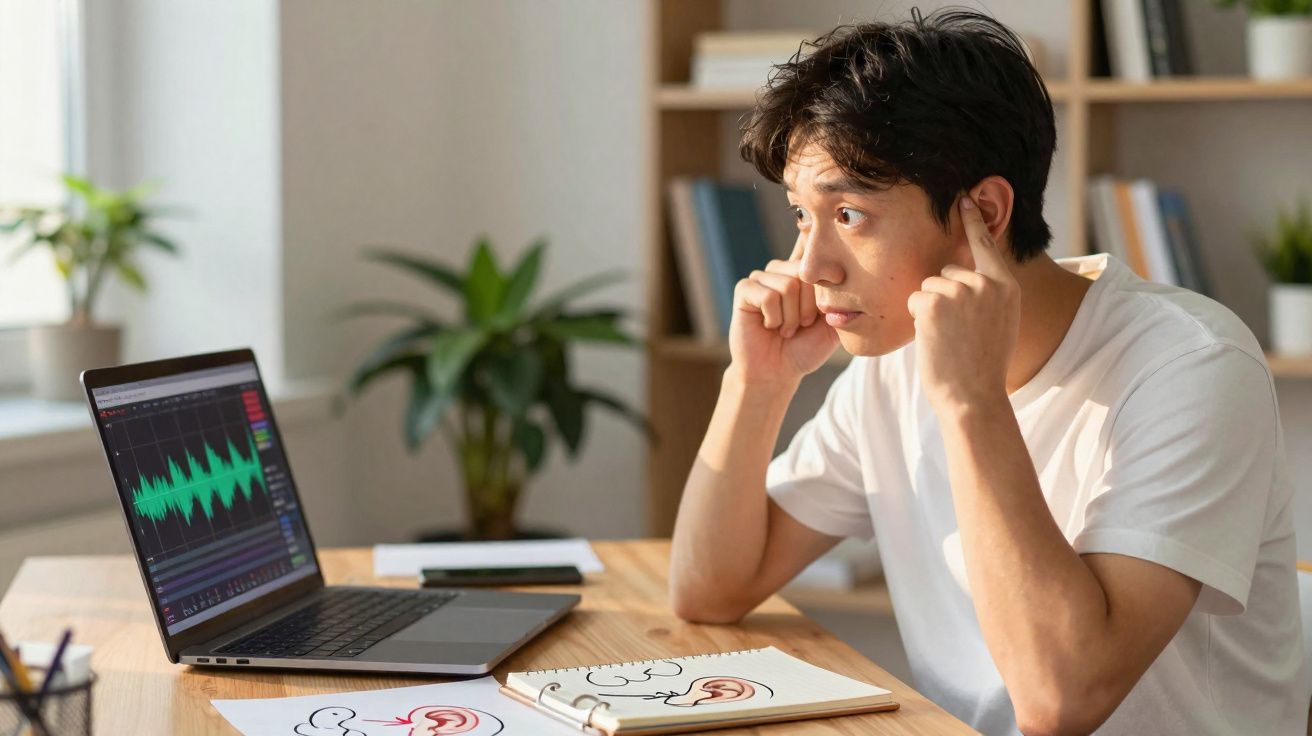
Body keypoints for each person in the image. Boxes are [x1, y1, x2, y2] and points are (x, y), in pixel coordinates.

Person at [668, 8, 1307, 735]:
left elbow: (1060, 701)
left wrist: (971, 401)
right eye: (801, 215)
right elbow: (707, 589)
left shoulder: (1192, 367)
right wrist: (757, 382)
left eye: (848, 215)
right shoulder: (893, 361)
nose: (811, 267)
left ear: (987, 213)